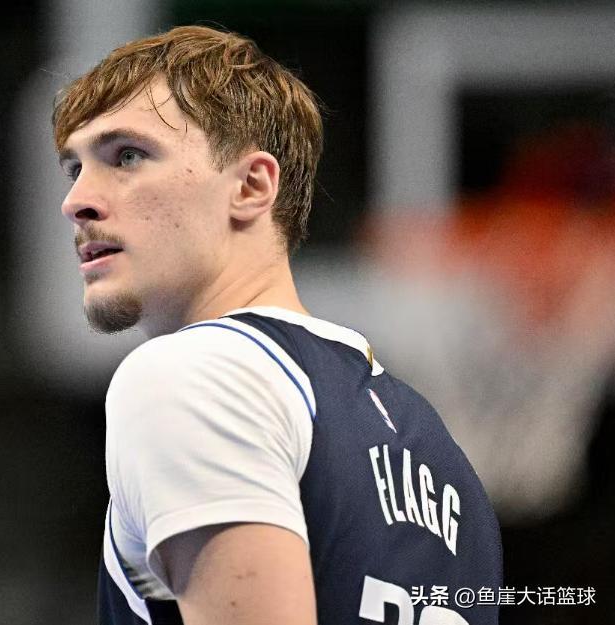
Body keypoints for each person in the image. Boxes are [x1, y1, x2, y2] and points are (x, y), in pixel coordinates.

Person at [52, 25, 502, 625]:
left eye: (127, 156)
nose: (76, 201)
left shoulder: (192, 377)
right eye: (74, 169)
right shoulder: (441, 458)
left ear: (251, 185)